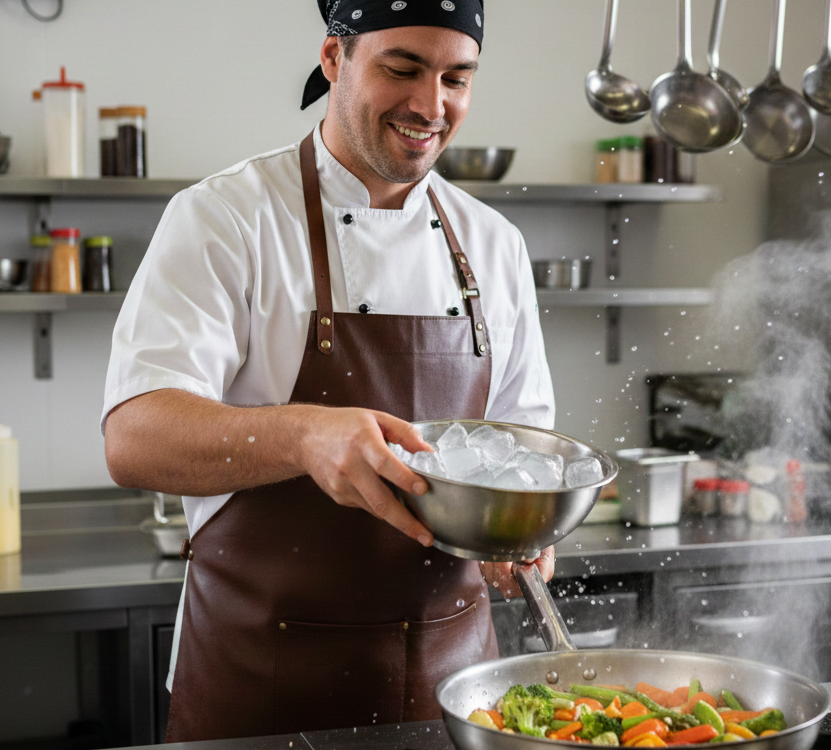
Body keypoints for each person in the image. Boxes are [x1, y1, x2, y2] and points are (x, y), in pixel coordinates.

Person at [102, 0, 555, 741]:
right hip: (258, 696)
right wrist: (305, 436)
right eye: (402, 68)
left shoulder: (495, 245)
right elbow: (134, 438)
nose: (430, 105)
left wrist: (519, 534)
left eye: (456, 79)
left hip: (453, 697)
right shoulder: (226, 218)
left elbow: (523, 455)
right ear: (334, 57)